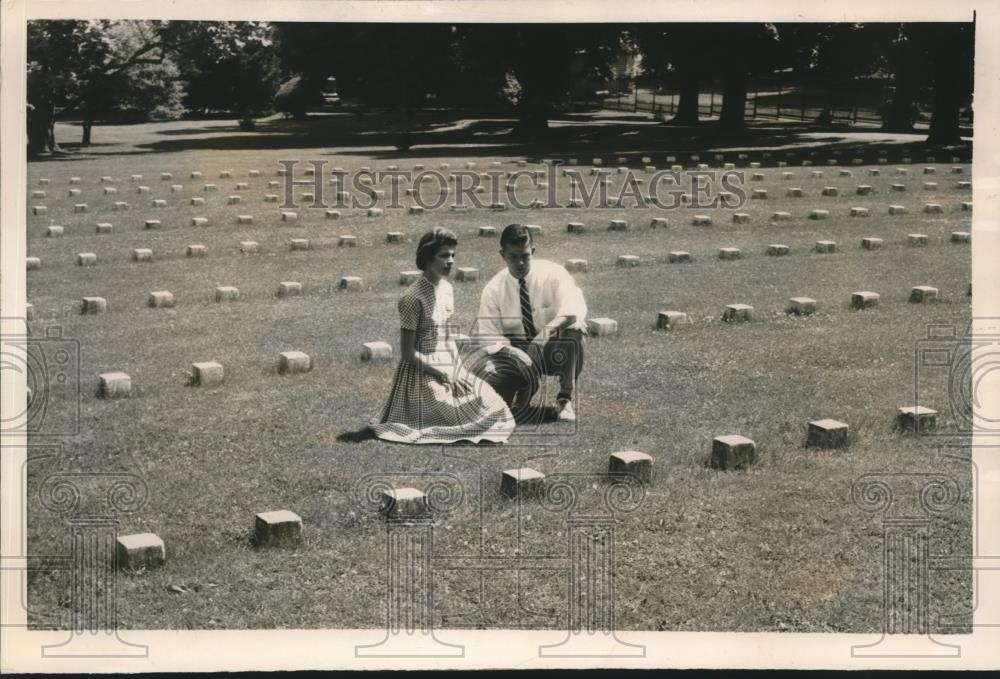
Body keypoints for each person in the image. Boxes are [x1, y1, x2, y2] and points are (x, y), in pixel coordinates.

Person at [369, 228, 515, 444]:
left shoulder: (447, 289)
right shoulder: (412, 299)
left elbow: (446, 336)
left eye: (453, 255)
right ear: (428, 258)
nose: (450, 261)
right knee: (455, 411)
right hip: (421, 370)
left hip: (448, 362)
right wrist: (441, 373)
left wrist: (457, 371)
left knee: (490, 400)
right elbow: (408, 353)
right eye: (444, 255)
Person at [471, 224, 587, 422]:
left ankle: (564, 398)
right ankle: (523, 388)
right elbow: (487, 335)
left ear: (532, 251)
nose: (520, 263)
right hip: (516, 351)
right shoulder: (494, 288)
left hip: (551, 348)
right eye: (513, 257)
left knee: (575, 333)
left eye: (525, 255)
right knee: (483, 380)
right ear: (503, 255)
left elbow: (574, 309)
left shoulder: (553, 273)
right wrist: (515, 354)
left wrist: (546, 332)